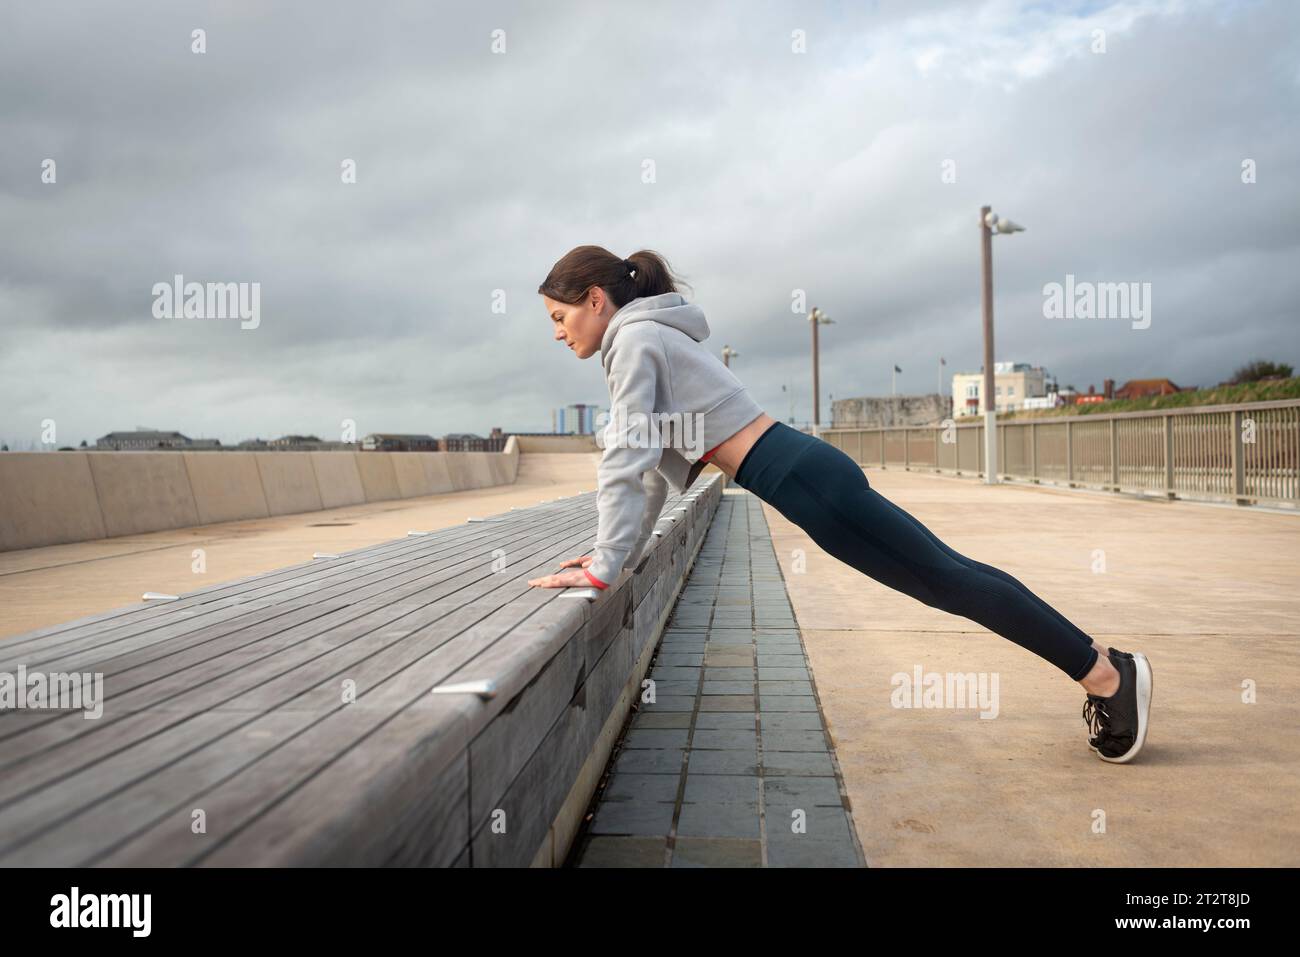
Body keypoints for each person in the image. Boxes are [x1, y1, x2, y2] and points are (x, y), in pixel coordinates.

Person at [526, 245, 1152, 763]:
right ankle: (1105, 665)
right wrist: (615, 557)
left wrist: (608, 564)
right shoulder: (651, 339)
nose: (558, 334)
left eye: (559, 317)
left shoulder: (633, 344)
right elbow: (654, 472)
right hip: (806, 473)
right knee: (955, 576)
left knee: (953, 582)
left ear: (595, 300)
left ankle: (1108, 679)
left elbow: (626, 457)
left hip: (807, 485)